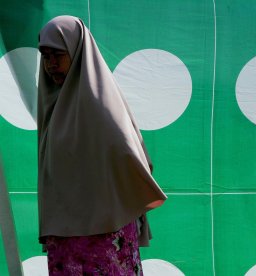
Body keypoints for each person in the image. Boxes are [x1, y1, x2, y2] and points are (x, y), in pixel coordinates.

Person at [37, 15, 167, 275]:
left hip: (105, 233)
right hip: (64, 235)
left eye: (58, 55)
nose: (51, 64)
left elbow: (132, 154)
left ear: (76, 51)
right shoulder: (51, 103)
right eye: (46, 56)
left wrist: (124, 197)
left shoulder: (100, 101)